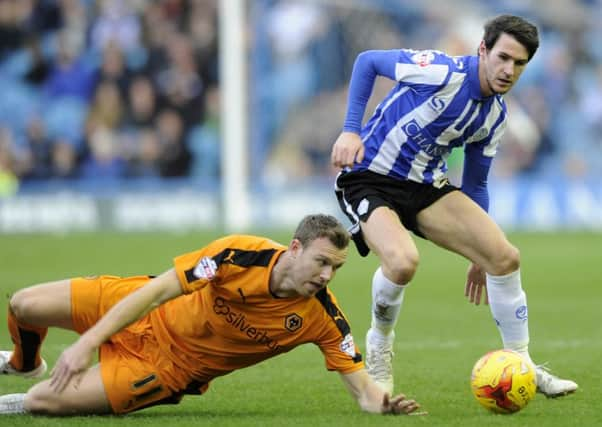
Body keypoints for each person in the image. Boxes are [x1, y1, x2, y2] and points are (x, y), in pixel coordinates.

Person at [330, 14, 578, 398]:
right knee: (402, 262)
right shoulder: (441, 71)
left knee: (504, 257)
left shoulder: (494, 116)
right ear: (483, 50)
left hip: (426, 186)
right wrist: (350, 129)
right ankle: (378, 347)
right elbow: (368, 61)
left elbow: (476, 184)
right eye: (503, 57)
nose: (509, 70)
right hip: (368, 176)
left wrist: (478, 253)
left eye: (519, 63)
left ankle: (522, 365)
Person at [0, 214, 423, 416]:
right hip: (143, 308)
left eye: (337, 268)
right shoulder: (239, 253)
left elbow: (363, 391)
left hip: (165, 368)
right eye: (322, 263)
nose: (327, 275)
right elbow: (159, 290)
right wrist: (86, 342)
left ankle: (23, 392)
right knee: (23, 305)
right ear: (295, 249)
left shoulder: (322, 317)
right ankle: (25, 363)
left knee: (40, 404)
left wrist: (383, 404)